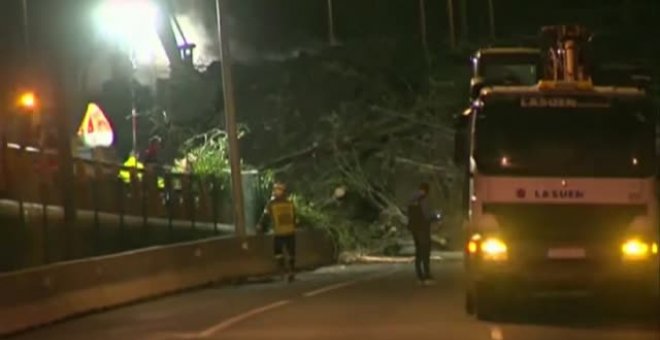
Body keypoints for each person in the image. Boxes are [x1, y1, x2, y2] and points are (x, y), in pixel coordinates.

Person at [257, 182, 297, 282]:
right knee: (291, 252)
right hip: (290, 231)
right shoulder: (289, 203)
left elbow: (265, 216)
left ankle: (283, 272)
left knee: (278, 253)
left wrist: (260, 226)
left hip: (279, 232)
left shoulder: (272, 203)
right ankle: (291, 271)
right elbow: (295, 217)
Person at [407, 182, 435, 285]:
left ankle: (419, 274)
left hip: (414, 228)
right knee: (425, 251)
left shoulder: (411, 199)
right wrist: (435, 217)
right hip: (423, 228)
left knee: (418, 251)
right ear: (427, 190)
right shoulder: (423, 199)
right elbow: (427, 215)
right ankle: (426, 274)